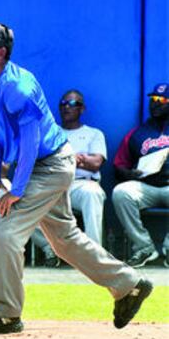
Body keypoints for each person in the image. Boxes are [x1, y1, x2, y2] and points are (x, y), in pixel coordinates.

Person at [0, 14, 152, 335]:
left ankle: (5, 312)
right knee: (65, 240)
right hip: (39, 165)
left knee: (6, 233)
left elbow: (31, 143)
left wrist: (17, 190)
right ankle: (129, 285)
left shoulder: (18, 86)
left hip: (50, 165)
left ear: (0, 53)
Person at [31, 90, 108, 267]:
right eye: (63, 104)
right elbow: (39, 162)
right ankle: (50, 249)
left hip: (81, 184)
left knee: (93, 193)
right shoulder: (51, 133)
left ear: (82, 109)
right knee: (26, 198)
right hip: (53, 183)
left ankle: (94, 256)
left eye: (73, 104)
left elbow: (96, 163)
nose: (67, 107)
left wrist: (64, 159)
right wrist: (77, 158)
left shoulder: (94, 134)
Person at [111, 82, 169, 268]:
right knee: (121, 192)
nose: (155, 103)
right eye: (153, 99)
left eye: (162, 100)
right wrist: (130, 174)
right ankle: (144, 247)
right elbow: (119, 165)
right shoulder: (137, 133)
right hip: (146, 186)